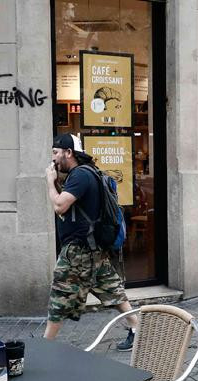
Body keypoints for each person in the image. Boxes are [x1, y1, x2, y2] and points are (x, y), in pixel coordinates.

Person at [44, 133, 137, 348]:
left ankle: (46, 345)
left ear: (69, 153)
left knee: (60, 294)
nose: (54, 159)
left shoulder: (80, 176)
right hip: (92, 248)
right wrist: (58, 183)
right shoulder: (87, 173)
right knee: (110, 288)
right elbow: (73, 204)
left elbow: (59, 206)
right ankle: (136, 326)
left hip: (79, 251)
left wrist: (50, 182)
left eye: (56, 153)